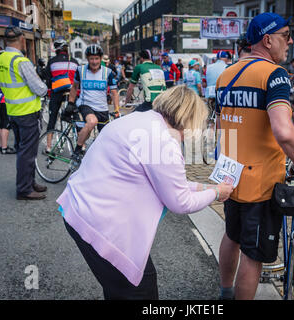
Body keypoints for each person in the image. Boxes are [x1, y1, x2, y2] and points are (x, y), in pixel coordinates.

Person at [57, 85, 234, 299]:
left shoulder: (141, 120)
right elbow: (181, 202)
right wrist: (216, 194)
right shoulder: (164, 142)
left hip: (81, 208)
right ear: (190, 118)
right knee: (139, 290)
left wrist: (209, 187)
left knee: (119, 288)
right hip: (101, 223)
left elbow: (170, 183)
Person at [216, 12, 294, 300]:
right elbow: (284, 132)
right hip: (261, 183)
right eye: (286, 35)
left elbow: (221, 126)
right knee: (253, 255)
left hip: (230, 176)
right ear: (267, 39)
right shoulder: (274, 75)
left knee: (232, 236)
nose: (290, 41)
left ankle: (225, 292)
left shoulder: (226, 74)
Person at [0, 25, 48, 200]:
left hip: (12, 110)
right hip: (27, 112)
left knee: (22, 149)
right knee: (27, 152)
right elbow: (40, 89)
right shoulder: (20, 61)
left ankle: (29, 182)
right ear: (22, 39)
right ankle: (24, 189)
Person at [67, 44, 119, 163]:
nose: (94, 61)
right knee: (92, 121)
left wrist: (116, 110)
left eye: (96, 58)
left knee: (107, 139)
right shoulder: (80, 70)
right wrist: (71, 102)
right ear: (87, 59)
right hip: (86, 105)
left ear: (101, 59)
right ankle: (77, 150)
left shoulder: (108, 72)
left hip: (102, 108)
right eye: (91, 58)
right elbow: (74, 87)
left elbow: (114, 92)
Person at [44, 39, 79, 152]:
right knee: (76, 117)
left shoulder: (52, 61)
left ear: (56, 50)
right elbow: (78, 80)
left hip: (57, 92)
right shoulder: (74, 61)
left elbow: (48, 80)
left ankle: (49, 146)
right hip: (71, 93)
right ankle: (81, 145)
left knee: (53, 118)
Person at [0, 45, 16, 155]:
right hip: (4, 97)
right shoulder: (3, 68)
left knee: (1, 123)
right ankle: (5, 148)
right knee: (6, 122)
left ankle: (1, 146)